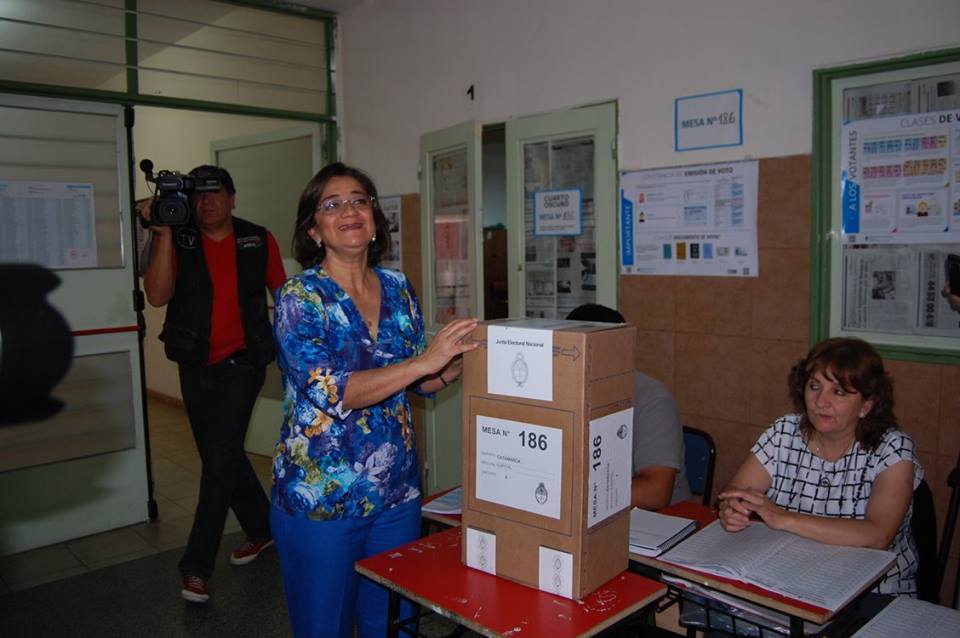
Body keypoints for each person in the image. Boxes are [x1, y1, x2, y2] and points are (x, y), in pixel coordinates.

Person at [270, 162, 478, 638]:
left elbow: (417, 383)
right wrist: (422, 364)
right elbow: (331, 390)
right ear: (313, 230)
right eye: (332, 204)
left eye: (359, 200)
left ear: (375, 220)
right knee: (325, 626)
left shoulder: (398, 287)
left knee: (392, 623)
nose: (349, 210)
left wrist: (453, 366)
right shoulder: (300, 296)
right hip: (322, 498)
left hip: (396, 494)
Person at [140, 165, 287, 604]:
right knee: (222, 455)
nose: (207, 202)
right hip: (194, 364)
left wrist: (300, 355)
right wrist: (163, 233)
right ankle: (263, 528)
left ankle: (196, 566)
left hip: (243, 364)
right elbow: (157, 296)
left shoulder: (256, 239)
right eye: (199, 195)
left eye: (216, 193)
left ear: (232, 197)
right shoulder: (180, 237)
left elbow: (285, 295)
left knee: (217, 463)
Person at [718, 337, 922, 596]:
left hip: (873, 592)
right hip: (790, 577)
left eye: (838, 392)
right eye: (814, 386)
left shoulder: (892, 448)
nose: (820, 401)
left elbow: (878, 535)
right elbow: (736, 491)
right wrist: (732, 509)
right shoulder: (784, 432)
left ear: (866, 405)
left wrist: (784, 518)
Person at [565, 304, 691, 509]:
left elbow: (655, 492)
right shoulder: (565, 393)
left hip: (656, 518)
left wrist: (568, 498)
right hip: (593, 509)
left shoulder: (652, 399)